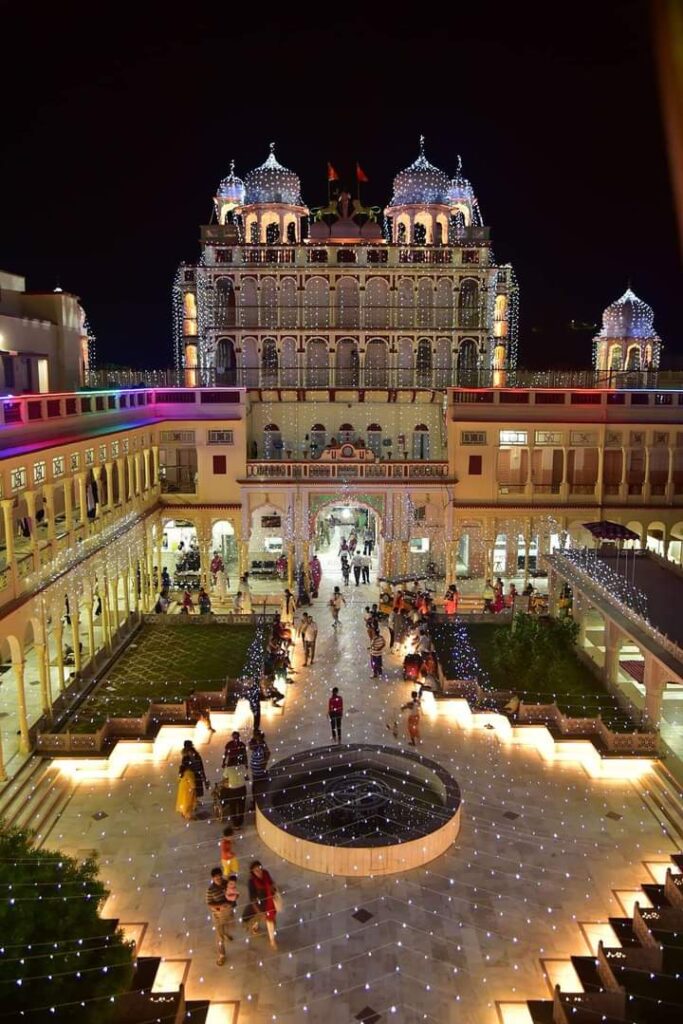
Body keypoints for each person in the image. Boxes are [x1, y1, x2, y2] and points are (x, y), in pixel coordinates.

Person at [206, 867, 234, 965]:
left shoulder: (226, 883)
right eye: (216, 877)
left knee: (227, 926)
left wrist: (234, 898)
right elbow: (209, 903)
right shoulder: (210, 890)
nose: (219, 878)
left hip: (228, 912)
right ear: (213, 878)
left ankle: (226, 934)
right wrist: (220, 906)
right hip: (218, 915)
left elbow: (233, 892)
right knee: (219, 936)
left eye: (220, 876)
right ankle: (222, 955)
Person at [248, 861, 279, 949]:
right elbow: (252, 898)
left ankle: (270, 938)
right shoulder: (252, 882)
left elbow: (271, 882)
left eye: (260, 868)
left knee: (269, 919)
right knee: (267, 919)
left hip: (271, 900)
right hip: (261, 903)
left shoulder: (266, 873)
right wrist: (258, 910)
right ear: (252, 872)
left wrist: (273, 888)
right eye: (256, 870)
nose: (259, 871)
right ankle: (272, 940)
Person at [217, 764, 248, 828]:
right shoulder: (242, 766)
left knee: (232, 807)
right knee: (241, 806)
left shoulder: (228, 769)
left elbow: (224, 779)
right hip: (242, 789)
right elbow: (246, 776)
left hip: (232, 790)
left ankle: (235, 824)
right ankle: (240, 822)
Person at [249, 731, 270, 810]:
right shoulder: (258, 745)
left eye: (255, 736)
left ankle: (257, 804)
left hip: (259, 773)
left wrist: (263, 764)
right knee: (256, 788)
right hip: (256, 772)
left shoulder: (262, 745)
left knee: (256, 789)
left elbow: (268, 753)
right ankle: (256, 802)